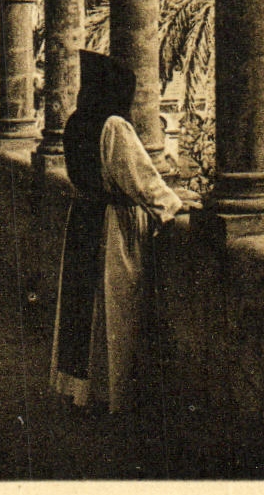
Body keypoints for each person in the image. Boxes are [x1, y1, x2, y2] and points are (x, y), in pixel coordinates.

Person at [49, 51, 201, 412]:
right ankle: (109, 393)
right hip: (112, 224)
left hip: (84, 217)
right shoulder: (114, 126)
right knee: (113, 307)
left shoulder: (75, 123)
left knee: (82, 306)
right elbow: (141, 179)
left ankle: (80, 390)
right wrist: (173, 206)